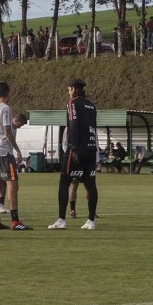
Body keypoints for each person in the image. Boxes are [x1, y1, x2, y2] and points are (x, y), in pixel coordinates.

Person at [49, 78, 99, 231]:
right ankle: (91, 220)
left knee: (64, 181)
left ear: (72, 89)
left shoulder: (73, 103)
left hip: (77, 148)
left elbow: (74, 123)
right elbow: (93, 128)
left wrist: (75, 147)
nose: (68, 92)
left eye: (69, 89)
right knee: (90, 184)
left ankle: (61, 220)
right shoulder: (91, 105)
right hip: (91, 148)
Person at [0, 83, 31, 230]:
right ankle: (15, 221)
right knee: (13, 184)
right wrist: (17, 150)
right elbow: (7, 131)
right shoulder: (6, 109)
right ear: (8, 93)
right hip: (4, 152)